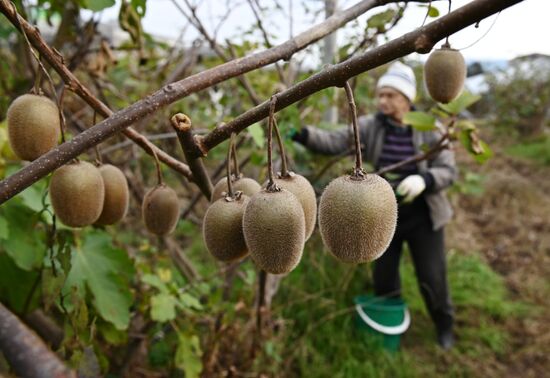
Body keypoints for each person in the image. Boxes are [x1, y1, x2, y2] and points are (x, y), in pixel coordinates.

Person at [292, 61, 458, 349]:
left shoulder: (430, 129)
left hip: (423, 215)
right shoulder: (370, 126)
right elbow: (334, 141)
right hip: (379, 214)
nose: (382, 101)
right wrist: (300, 133)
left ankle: (444, 326)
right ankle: (392, 323)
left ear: (407, 98)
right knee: (384, 277)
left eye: (390, 95)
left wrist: (426, 180)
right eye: (381, 95)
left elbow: (449, 170)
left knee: (432, 276)